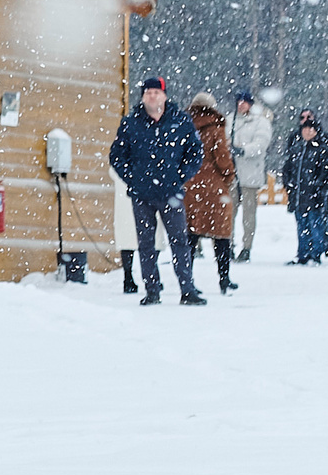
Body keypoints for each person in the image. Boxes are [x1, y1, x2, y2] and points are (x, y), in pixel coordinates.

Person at [107, 76, 206, 307]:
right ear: (143, 97)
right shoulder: (131, 123)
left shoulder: (180, 121)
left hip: (171, 193)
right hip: (142, 195)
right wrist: (133, 179)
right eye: (148, 92)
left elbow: (195, 153)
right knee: (146, 243)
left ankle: (187, 289)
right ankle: (152, 290)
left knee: (179, 241)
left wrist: (180, 176)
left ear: (164, 95)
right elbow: (117, 156)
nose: (152, 96)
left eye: (156, 92)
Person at [183, 92, 240, 295]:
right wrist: (229, 176)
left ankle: (186, 279)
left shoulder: (184, 126)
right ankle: (224, 279)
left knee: (191, 234)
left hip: (190, 186)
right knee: (221, 234)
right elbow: (222, 156)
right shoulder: (216, 127)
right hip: (214, 186)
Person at [284, 115, 328, 264]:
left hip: (314, 196)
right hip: (298, 196)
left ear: (316, 131)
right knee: (302, 226)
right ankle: (302, 254)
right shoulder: (296, 149)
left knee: (315, 225)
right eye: (304, 128)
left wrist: (316, 186)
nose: (307, 131)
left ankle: (315, 254)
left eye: (310, 129)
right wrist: (289, 185)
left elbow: (325, 173)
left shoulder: (322, 150)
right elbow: (287, 169)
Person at [230, 90, 273, 262]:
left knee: (248, 214)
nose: (241, 105)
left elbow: (261, 144)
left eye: (244, 102)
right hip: (232, 175)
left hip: (249, 174)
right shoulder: (230, 121)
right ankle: (228, 244)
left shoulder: (260, 122)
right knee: (228, 212)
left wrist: (242, 150)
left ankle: (246, 246)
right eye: (239, 101)